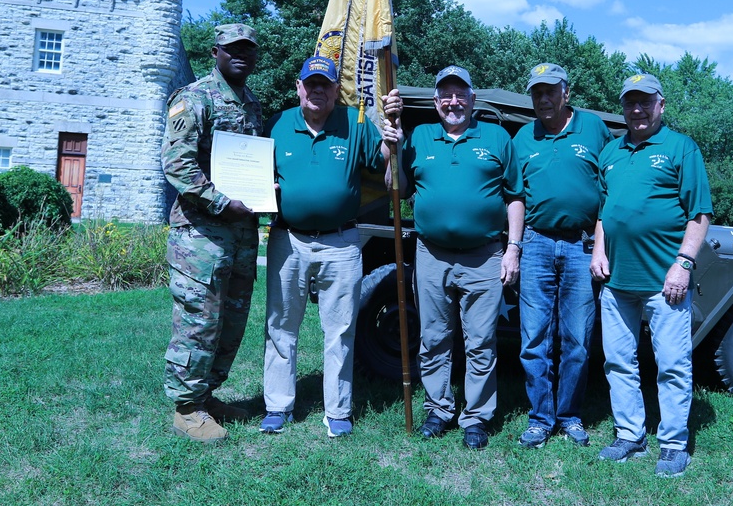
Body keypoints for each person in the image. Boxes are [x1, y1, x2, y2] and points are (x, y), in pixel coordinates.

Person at [260, 56, 402, 437]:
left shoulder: (354, 124)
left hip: (341, 242)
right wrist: (262, 191)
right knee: (280, 325)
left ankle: (337, 411)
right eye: (312, 83)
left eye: (326, 84)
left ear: (337, 90)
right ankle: (277, 405)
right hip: (287, 239)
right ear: (298, 86)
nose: (318, 90)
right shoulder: (277, 124)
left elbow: (384, 168)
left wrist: (393, 140)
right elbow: (255, 173)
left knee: (339, 329)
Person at [393, 65, 523, 450]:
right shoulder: (419, 137)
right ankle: (439, 408)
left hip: (484, 256)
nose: (453, 102)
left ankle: (477, 417)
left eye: (460, 94)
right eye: (446, 95)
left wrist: (512, 248)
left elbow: (515, 196)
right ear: (436, 102)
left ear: (472, 98)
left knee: (481, 340)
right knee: (433, 337)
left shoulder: (498, 137)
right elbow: (397, 189)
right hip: (431, 255)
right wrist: (394, 149)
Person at [590, 73, 712, 478]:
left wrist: (684, 264)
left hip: (666, 283)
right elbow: (605, 212)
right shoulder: (611, 151)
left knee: (673, 364)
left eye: (645, 102)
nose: (637, 110)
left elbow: (699, 214)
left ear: (661, 105)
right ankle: (630, 434)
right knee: (618, 362)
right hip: (617, 282)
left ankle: (674, 444)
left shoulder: (681, 148)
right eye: (630, 103)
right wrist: (597, 249)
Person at [161, 23, 263, 443]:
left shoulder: (252, 103)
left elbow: (252, 165)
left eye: (248, 50)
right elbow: (178, 164)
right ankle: (186, 409)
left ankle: (207, 396)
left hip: (239, 235)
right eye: (232, 48)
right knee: (199, 320)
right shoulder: (194, 97)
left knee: (231, 321)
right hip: (200, 237)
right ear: (215, 52)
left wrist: (264, 190)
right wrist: (223, 202)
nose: (241, 55)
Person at [512, 63, 612, 449]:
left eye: (551, 91)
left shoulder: (594, 129)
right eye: (537, 92)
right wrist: (515, 247)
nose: (544, 98)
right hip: (536, 243)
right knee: (534, 339)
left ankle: (569, 415)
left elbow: (609, 189)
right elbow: (516, 197)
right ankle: (540, 418)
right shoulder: (522, 137)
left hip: (581, 245)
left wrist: (601, 243)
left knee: (578, 340)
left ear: (566, 93)